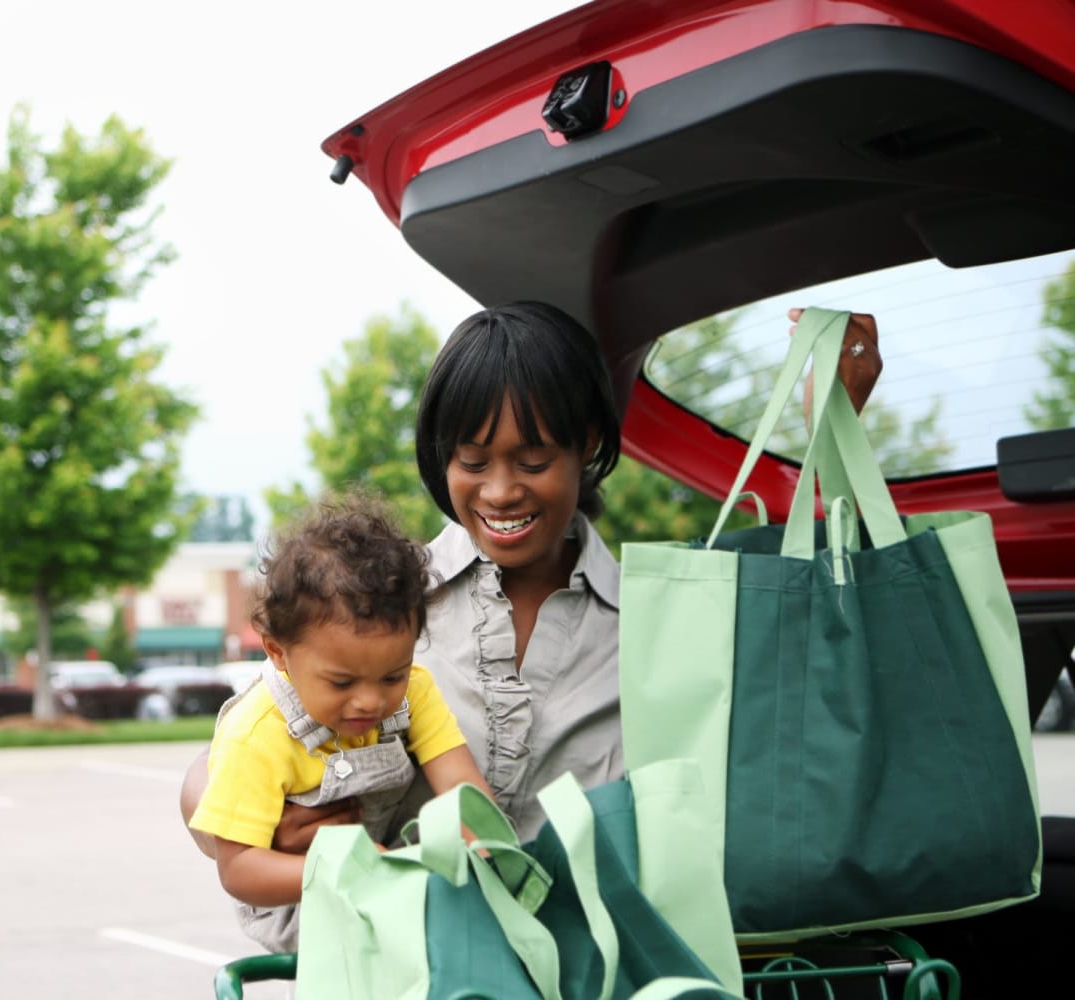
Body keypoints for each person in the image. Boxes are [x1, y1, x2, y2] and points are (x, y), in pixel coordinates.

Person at [182, 302, 882, 862]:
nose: (501, 491)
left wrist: (833, 427)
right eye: (472, 460)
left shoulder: (656, 617)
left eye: (534, 458)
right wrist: (257, 824)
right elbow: (232, 761)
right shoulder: (373, 604)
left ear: (587, 447)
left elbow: (809, 642)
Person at [188, 489, 493, 950]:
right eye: (342, 683)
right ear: (278, 652)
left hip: (382, 874)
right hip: (298, 902)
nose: (369, 702)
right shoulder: (257, 733)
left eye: (391, 675)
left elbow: (460, 786)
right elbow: (239, 870)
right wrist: (346, 864)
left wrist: (487, 849)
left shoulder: (415, 689)